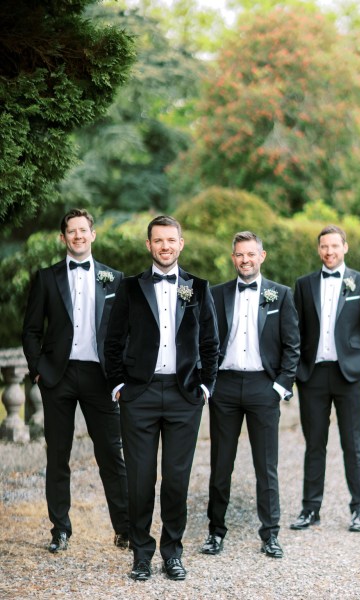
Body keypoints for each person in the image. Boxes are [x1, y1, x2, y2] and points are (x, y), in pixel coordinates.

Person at [104, 215, 219, 582]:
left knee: (176, 480)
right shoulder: (129, 287)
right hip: (140, 394)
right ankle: (141, 554)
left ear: (180, 244)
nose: (165, 246)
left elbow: (211, 343)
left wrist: (204, 386)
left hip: (185, 394)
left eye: (171, 240)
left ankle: (172, 552)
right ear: (149, 245)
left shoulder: (198, 288)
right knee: (139, 480)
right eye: (158, 241)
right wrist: (119, 384)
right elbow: (113, 340)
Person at [22, 208, 129, 553]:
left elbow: (125, 332)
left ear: (93, 234)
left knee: (112, 455)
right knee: (58, 455)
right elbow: (31, 330)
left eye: (84, 230)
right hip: (58, 376)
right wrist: (39, 368)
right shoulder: (46, 278)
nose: (78, 236)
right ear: (63, 237)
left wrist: (121, 375)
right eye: (72, 231)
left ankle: (124, 529)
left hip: (101, 378)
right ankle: (60, 529)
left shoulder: (114, 280)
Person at [201, 231, 300, 559]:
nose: (245, 260)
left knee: (266, 465)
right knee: (220, 464)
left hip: (263, 387)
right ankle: (215, 532)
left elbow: (292, 345)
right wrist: (207, 383)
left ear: (262, 255)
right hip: (225, 388)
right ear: (233, 258)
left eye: (251, 254)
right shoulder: (216, 294)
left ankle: (270, 534)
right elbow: (203, 341)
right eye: (239, 254)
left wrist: (280, 387)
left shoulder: (281, 295)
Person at [290, 224, 360, 533]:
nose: (329, 251)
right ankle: (310, 509)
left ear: (345, 247)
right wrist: (296, 372)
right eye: (324, 246)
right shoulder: (303, 285)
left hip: (350, 377)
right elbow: (295, 332)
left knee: (352, 444)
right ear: (319, 250)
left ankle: (359, 509)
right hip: (313, 376)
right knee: (314, 444)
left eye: (334, 246)